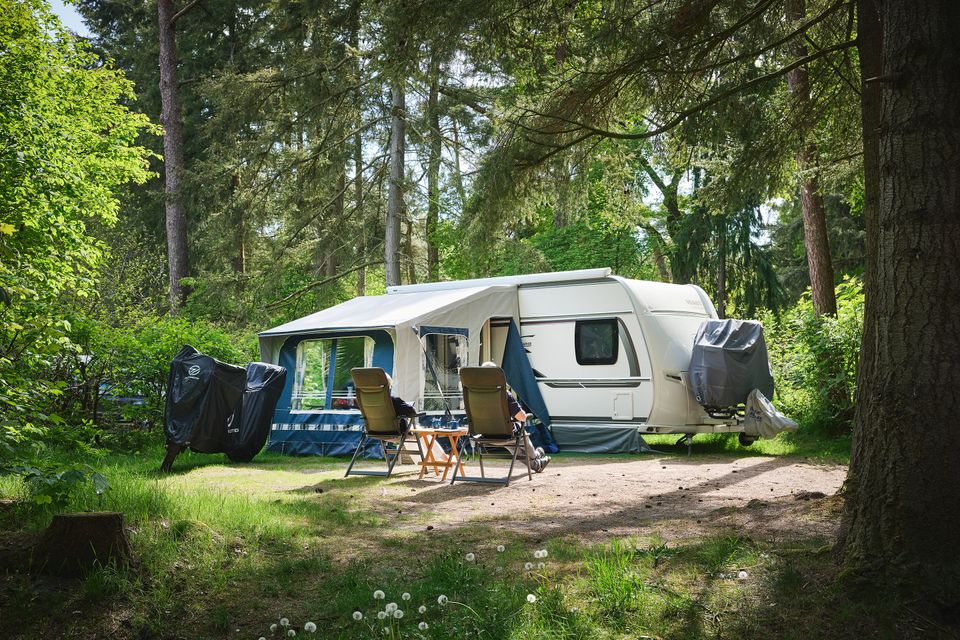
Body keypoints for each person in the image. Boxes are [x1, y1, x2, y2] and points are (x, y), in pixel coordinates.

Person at [480, 361, 551, 473]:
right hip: (505, 435)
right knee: (519, 431)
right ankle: (536, 458)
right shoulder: (504, 394)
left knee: (513, 443)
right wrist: (526, 415)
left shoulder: (473, 393)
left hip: (484, 435)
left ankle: (536, 463)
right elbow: (521, 417)